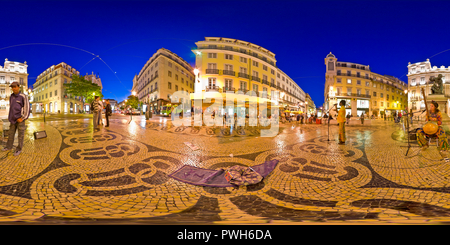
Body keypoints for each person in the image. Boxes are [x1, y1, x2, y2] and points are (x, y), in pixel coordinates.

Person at [2, 82, 29, 156]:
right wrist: (10, 117)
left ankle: (19, 149)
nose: (14, 88)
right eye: (12, 87)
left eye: (15, 87)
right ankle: (8, 146)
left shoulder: (23, 96)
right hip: (12, 120)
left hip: (20, 120)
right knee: (10, 134)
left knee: (20, 136)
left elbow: (27, 108)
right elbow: (11, 107)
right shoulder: (11, 96)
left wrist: (23, 118)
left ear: (18, 87)